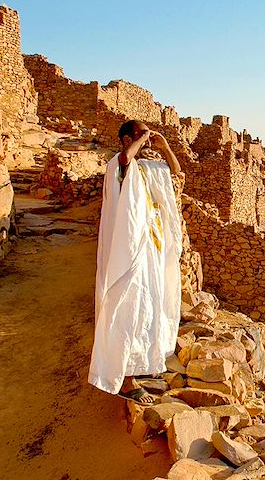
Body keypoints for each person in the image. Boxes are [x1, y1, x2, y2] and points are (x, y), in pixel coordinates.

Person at [88, 120, 183, 404]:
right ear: (127, 138)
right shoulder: (117, 167)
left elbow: (176, 173)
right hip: (126, 254)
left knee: (147, 312)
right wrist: (139, 141)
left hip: (149, 253)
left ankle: (140, 368)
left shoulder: (148, 169)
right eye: (140, 135)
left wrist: (164, 146)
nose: (147, 140)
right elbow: (125, 159)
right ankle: (124, 379)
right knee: (124, 312)